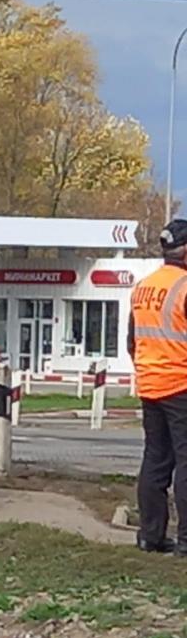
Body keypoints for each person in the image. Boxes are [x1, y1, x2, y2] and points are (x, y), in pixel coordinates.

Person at [128, 218, 187, 555]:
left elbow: (132, 341)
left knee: (155, 460)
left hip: (150, 385)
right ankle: (185, 541)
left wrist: (148, 369)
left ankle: (150, 536)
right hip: (181, 384)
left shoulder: (143, 287)